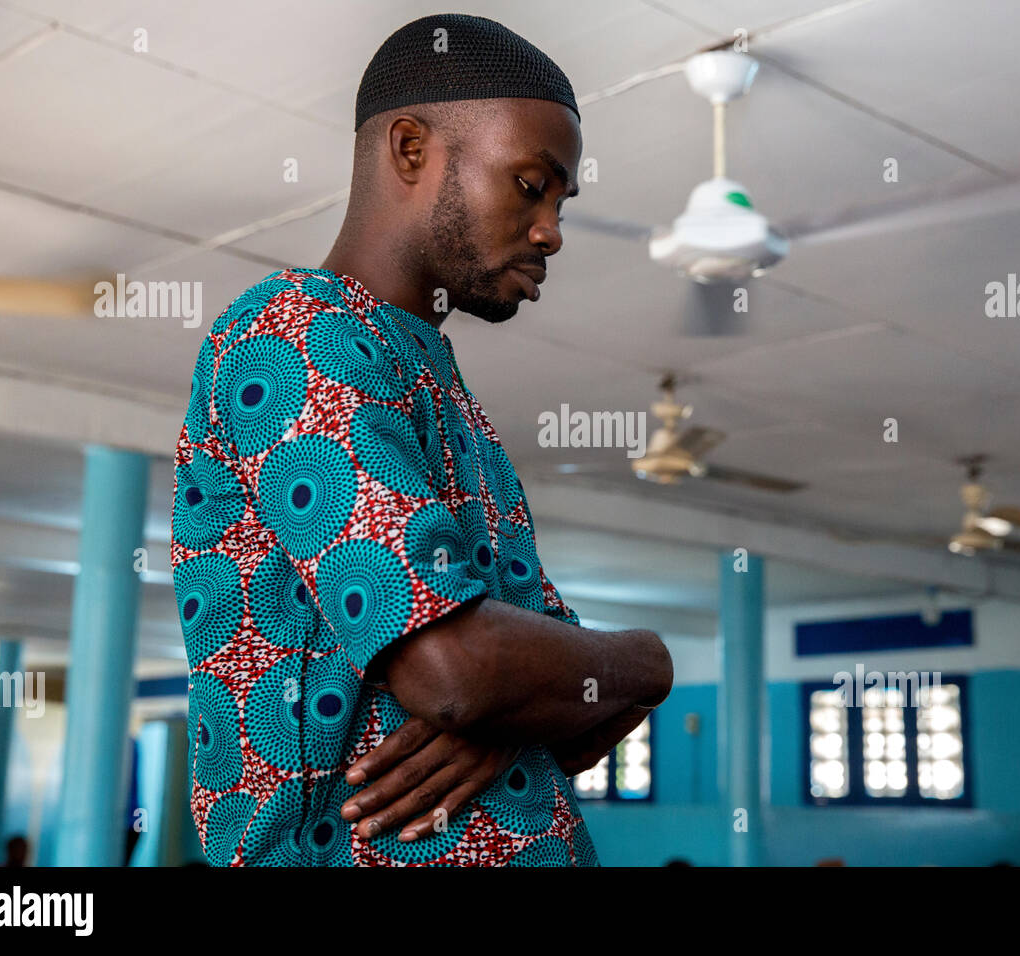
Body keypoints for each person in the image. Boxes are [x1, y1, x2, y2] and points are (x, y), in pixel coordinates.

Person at [171, 13, 672, 867]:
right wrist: (648, 661)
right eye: (529, 184)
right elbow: (457, 676)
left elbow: (577, 721)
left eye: (560, 201)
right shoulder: (293, 335)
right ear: (410, 149)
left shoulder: (438, 389)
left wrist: (553, 691)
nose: (552, 229)